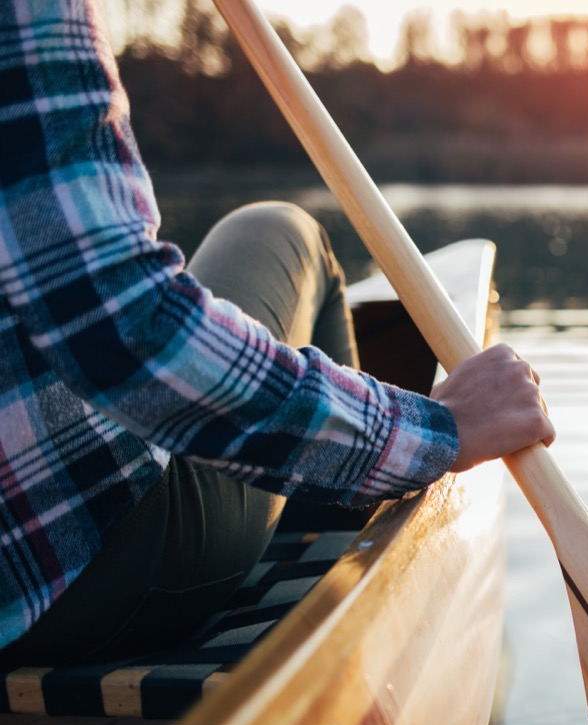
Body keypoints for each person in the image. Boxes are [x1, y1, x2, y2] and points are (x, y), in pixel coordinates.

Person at [0, 0, 554, 665]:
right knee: (279, 230)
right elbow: (124, 330)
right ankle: (358, 529)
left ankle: (337, 478)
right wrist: (434, 432)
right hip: (78, 572)